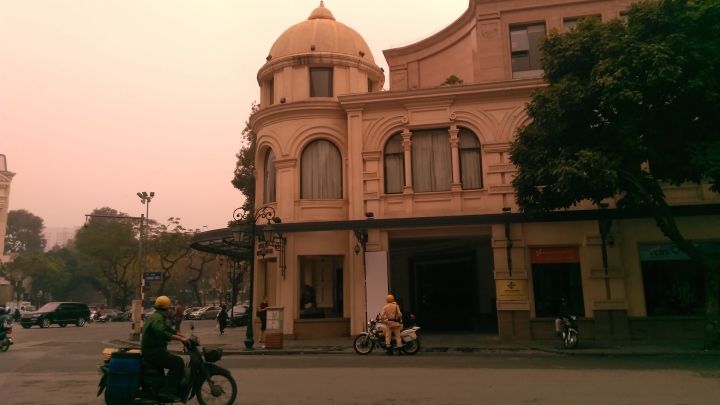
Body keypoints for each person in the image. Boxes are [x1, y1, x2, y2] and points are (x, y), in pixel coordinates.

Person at [141, 296, 188, 403]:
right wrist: (181, 339)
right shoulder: (158, 318)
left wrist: (183, 336)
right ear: (166, 308)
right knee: (178, 363)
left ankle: (159, 391)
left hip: (152, 351)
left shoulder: (156, 316)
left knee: (162, 375)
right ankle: (167, 391)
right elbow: (161, 332)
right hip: (154, 352)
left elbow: (168, 329)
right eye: (169, 308)